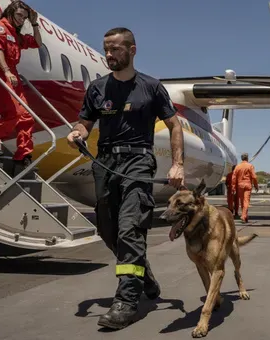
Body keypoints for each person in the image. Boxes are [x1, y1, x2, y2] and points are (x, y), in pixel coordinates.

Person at [66, 27, 185, 329]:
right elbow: (84, 124)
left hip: (137, 161)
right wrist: (77, 134)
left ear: (132, 50)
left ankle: (127, 301)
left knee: (130, 228)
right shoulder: (97, 89)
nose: (109, 55)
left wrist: (177, 164)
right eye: (106, 49)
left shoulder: (151, 87)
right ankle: (141, 271)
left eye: (116, 49)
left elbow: (174, 126)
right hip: (105, 163)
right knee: (107, 228)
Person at [0, 1, 41, 166]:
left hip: (13, 78)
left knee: (26, 116)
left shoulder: (15, 34)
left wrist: (34, 23)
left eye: (24, 17)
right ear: (10, 12)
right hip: (0, 74)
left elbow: (37, 43)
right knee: (12, 114)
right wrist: (6, 70)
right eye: (19, 15)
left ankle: (23, 155)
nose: (22, 20)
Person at [232, 153, 259, 223]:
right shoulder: (250, 166)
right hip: (247, 185)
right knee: (246, 201)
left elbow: (234, 178)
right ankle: (244, 216)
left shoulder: (237, 166)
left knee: (242, 201)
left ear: (241, 158)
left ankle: (245, 216)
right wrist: (256, 185)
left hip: (240, 185)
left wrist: (233, 187)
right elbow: (254, 177)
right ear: (247, 158)